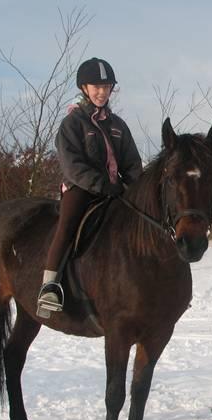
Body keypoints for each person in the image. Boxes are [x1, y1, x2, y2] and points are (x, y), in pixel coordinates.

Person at [37, 57, 143, 317]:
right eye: (96, 86)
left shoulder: (118, 125)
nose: (102, 92)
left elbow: (132, 161)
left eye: (107, 87)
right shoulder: (72, 124)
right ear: (84, 88)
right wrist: (101, 185)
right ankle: (49, 286)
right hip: (81, 189)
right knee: (68, 224)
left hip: (117, 190)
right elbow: (72, 165)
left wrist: (133, 185)